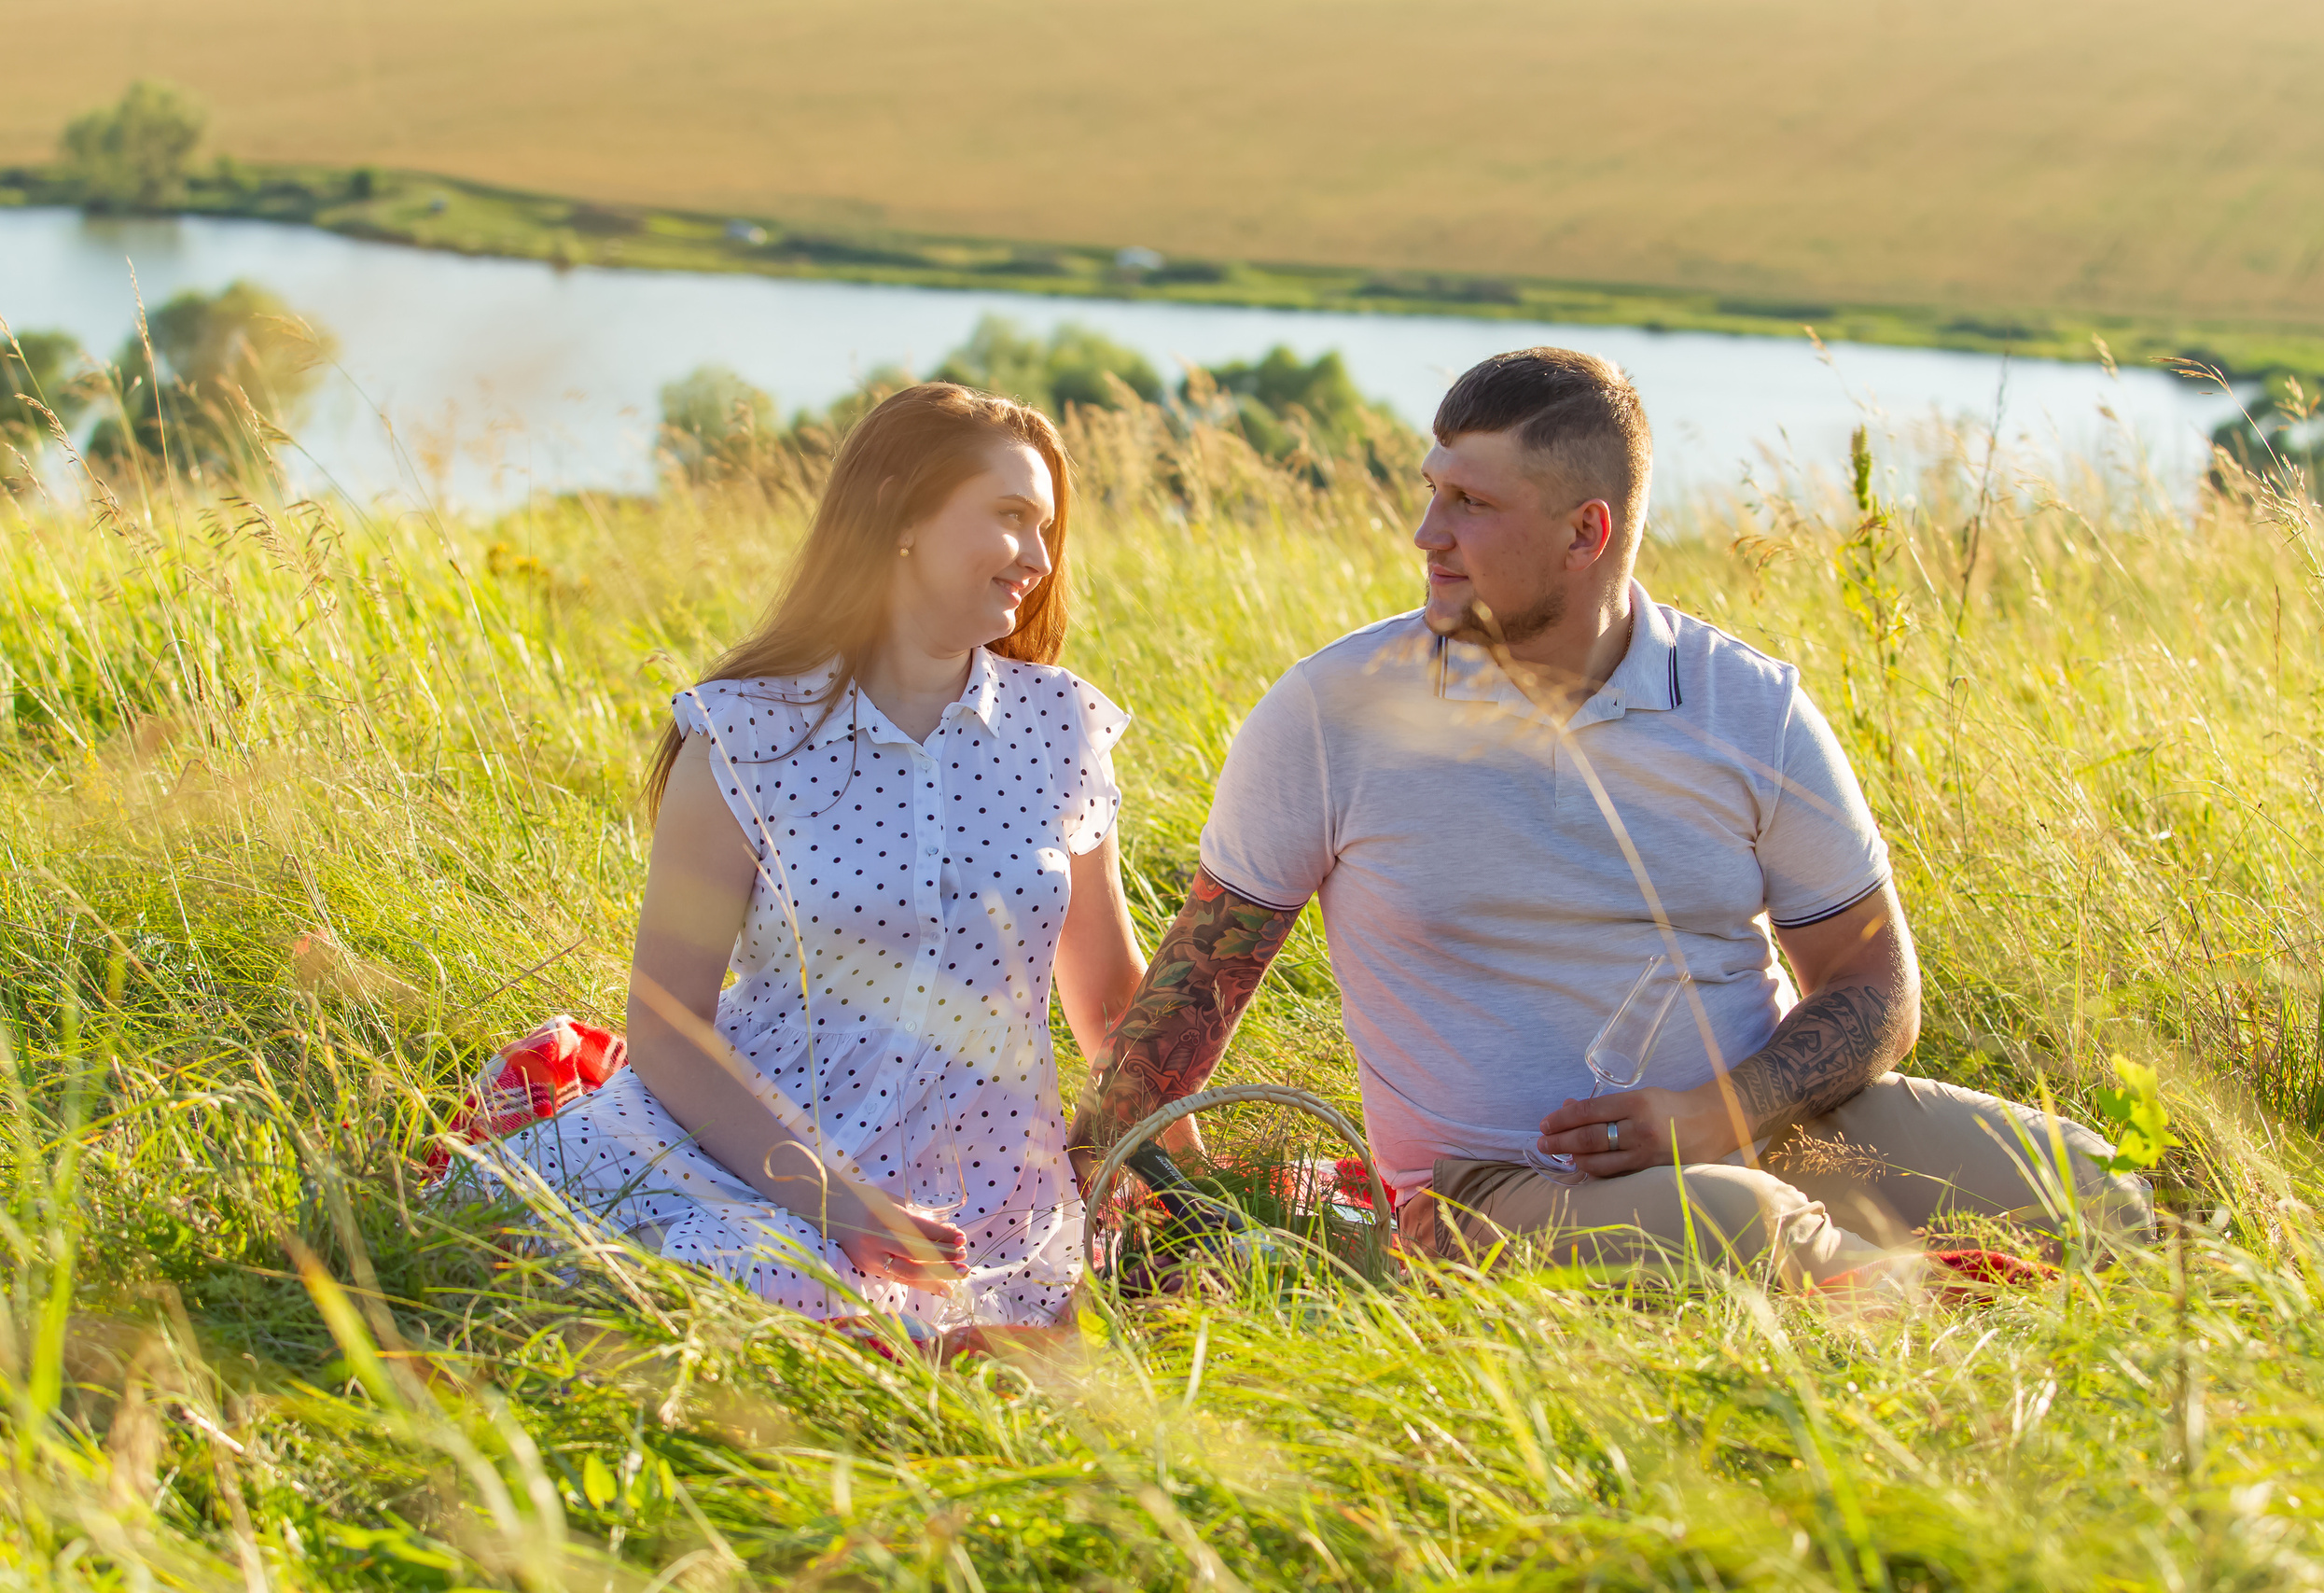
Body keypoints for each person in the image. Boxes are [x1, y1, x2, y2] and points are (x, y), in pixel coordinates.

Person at [1071, 348, 2150, 1292]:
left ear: (1586, 531)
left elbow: (1875, 991)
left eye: (1472, 507)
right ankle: (1906, 1292)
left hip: (1774, 1132)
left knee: (2096, 1197)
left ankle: (1908, 1279)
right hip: (1491, 1190)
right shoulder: (1330, 712)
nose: (1425, 535)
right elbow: (1196, 988)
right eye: (1432, 491)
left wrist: (1726, 1109)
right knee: (1747, 1235)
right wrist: (1100, 1179)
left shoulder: (1748, 708)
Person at [491, 384, 1147, 1328]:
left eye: (1047, 528)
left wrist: (1181, 1180)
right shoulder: (746, 736)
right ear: (899, 511)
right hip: (766, 1158)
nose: (1041, 560)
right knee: (779, 1283)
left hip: (996, 1195)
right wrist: (838, 1203)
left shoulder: (1059, 725)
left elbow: (1110, 997)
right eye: (1011, 518)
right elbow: (668, 1018)